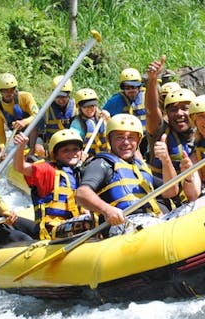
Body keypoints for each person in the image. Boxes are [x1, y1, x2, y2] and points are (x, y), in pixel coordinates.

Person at [75, 114, 179, 236]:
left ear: (138, 141)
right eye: (119, 137)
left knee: (204, 201)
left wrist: (166, 160)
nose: (126, 142)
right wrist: (107, 210)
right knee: (155, 225)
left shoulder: (140, 168)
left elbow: (171, 191)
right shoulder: (102, 164)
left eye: (131, 138)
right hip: (122, 225)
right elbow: (81, 193)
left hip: (153, 220)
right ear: (110, 140)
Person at [14, 129, 91, 240]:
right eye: (66, 150)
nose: (72, 153)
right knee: (89, 222)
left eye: (75, 149)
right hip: (52, 230)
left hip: (74, 224)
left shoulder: (78, 174)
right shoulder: (48, 170)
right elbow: (20, 167)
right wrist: (20, 147)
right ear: (55, 154)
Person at [145, 56, 196, 209]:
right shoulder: (161, 131)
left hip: (193, 193)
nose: (179, 113)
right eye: (173, 110)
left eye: (185, 108)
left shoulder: (204, 133)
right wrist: (153, 79)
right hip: (164, 198)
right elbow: (151, 110)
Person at [0, 72, 39, 162]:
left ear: (15, 89)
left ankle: (32, 150)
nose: (9, 93)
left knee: (33, 124)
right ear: (0, 91)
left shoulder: (26, 97)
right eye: (5, 90)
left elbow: (37, 114)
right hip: (19, 135)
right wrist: (2, 148)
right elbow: (0, 132)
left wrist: (24, 122)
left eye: (11, 90)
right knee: (15, 156)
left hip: (36, 131)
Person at [102, 68, 149, 156]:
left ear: (139, 87)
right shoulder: (115, 101)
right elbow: (102, 114)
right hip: (128, 139)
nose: (131, 90)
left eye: (134, 87)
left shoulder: (146, 97)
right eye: (127, 88)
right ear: (123, 88)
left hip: (146, 138)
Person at [29, 75, 77, 153]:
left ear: (69, 94)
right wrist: (32, 148)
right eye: (58, 97)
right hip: (52, 146)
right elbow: (35, 128)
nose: (61, 100)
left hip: (72, 146)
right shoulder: (46, 109)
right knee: (38, 148)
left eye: (64, 97)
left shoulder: (77, 107)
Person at [70, 88, 110, 157]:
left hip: (106, 155)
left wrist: (109, 119)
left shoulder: (102, 117)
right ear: (79, 107)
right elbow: (72, 142)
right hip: (89, 158)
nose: (89, 109)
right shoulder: (77, 123)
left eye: (92, 106)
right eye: (85, 107)